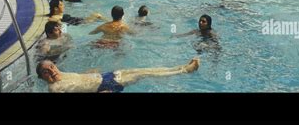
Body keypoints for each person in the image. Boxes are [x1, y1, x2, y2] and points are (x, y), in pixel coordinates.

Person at [36, 57, 200, 93]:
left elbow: (78, 80)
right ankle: (185, 71)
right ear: (42, 77)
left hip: (105, 76)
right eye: (46, 71)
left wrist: (90, 74)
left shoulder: (61, 74)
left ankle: (180, 67)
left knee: (143, 69)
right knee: (146, 74)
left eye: (52, 66)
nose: (52, 71)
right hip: (104, 86)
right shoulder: (55, 88)